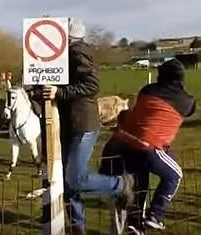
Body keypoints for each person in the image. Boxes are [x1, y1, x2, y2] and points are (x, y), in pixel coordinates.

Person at [41, 18, 134, 234]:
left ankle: (121, 185)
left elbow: (91, 85)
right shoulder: (64, 55)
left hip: (82, 123)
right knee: (67, 183)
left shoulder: (77, 52)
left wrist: (59, 92)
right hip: (67, 123)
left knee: (75, 178)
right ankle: (78, 227)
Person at [116, 59, 195, 232]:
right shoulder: (186, 101)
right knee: (174, 175)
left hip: (126, 143)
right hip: (149, 146)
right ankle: (155, 215)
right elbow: (190, 110)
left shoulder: (147, 90)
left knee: (139, 188)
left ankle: (134, 225)